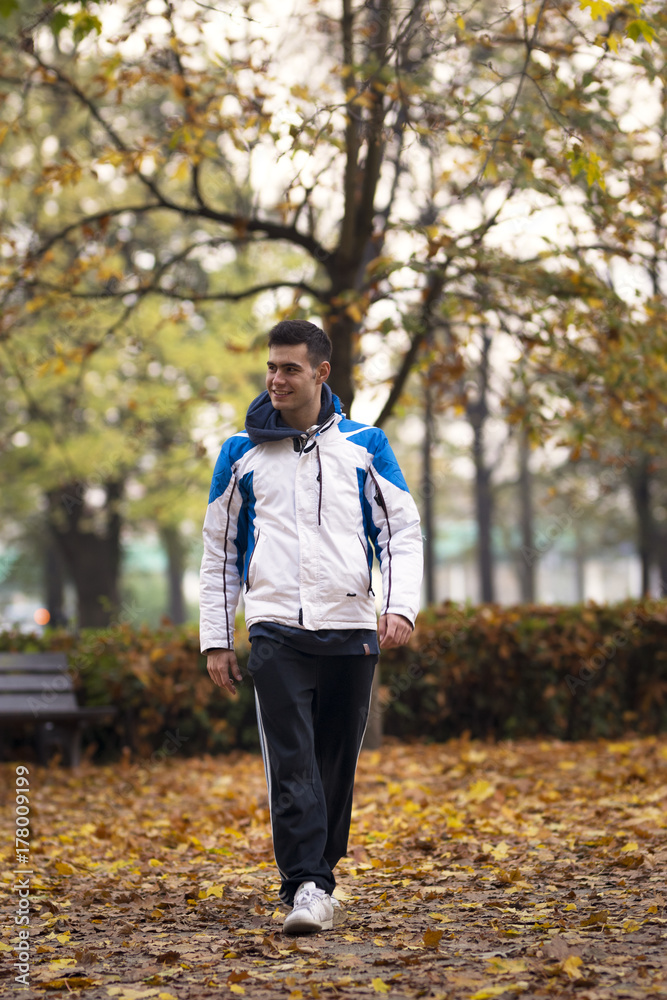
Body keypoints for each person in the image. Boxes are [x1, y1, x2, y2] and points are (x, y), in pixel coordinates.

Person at [200, 320, 423, 934]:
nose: (276, 379)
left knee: (334, 761)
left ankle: (318, 875)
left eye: (290, 368)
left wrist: (400, 605)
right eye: (271, 367)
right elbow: (219, 551)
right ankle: (306, 884)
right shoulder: (239, 453)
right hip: (275, 630)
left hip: (351, 626)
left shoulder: (366, 445)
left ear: (322, 373)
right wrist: (218, 637)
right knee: (291, 758)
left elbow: (403, 531)